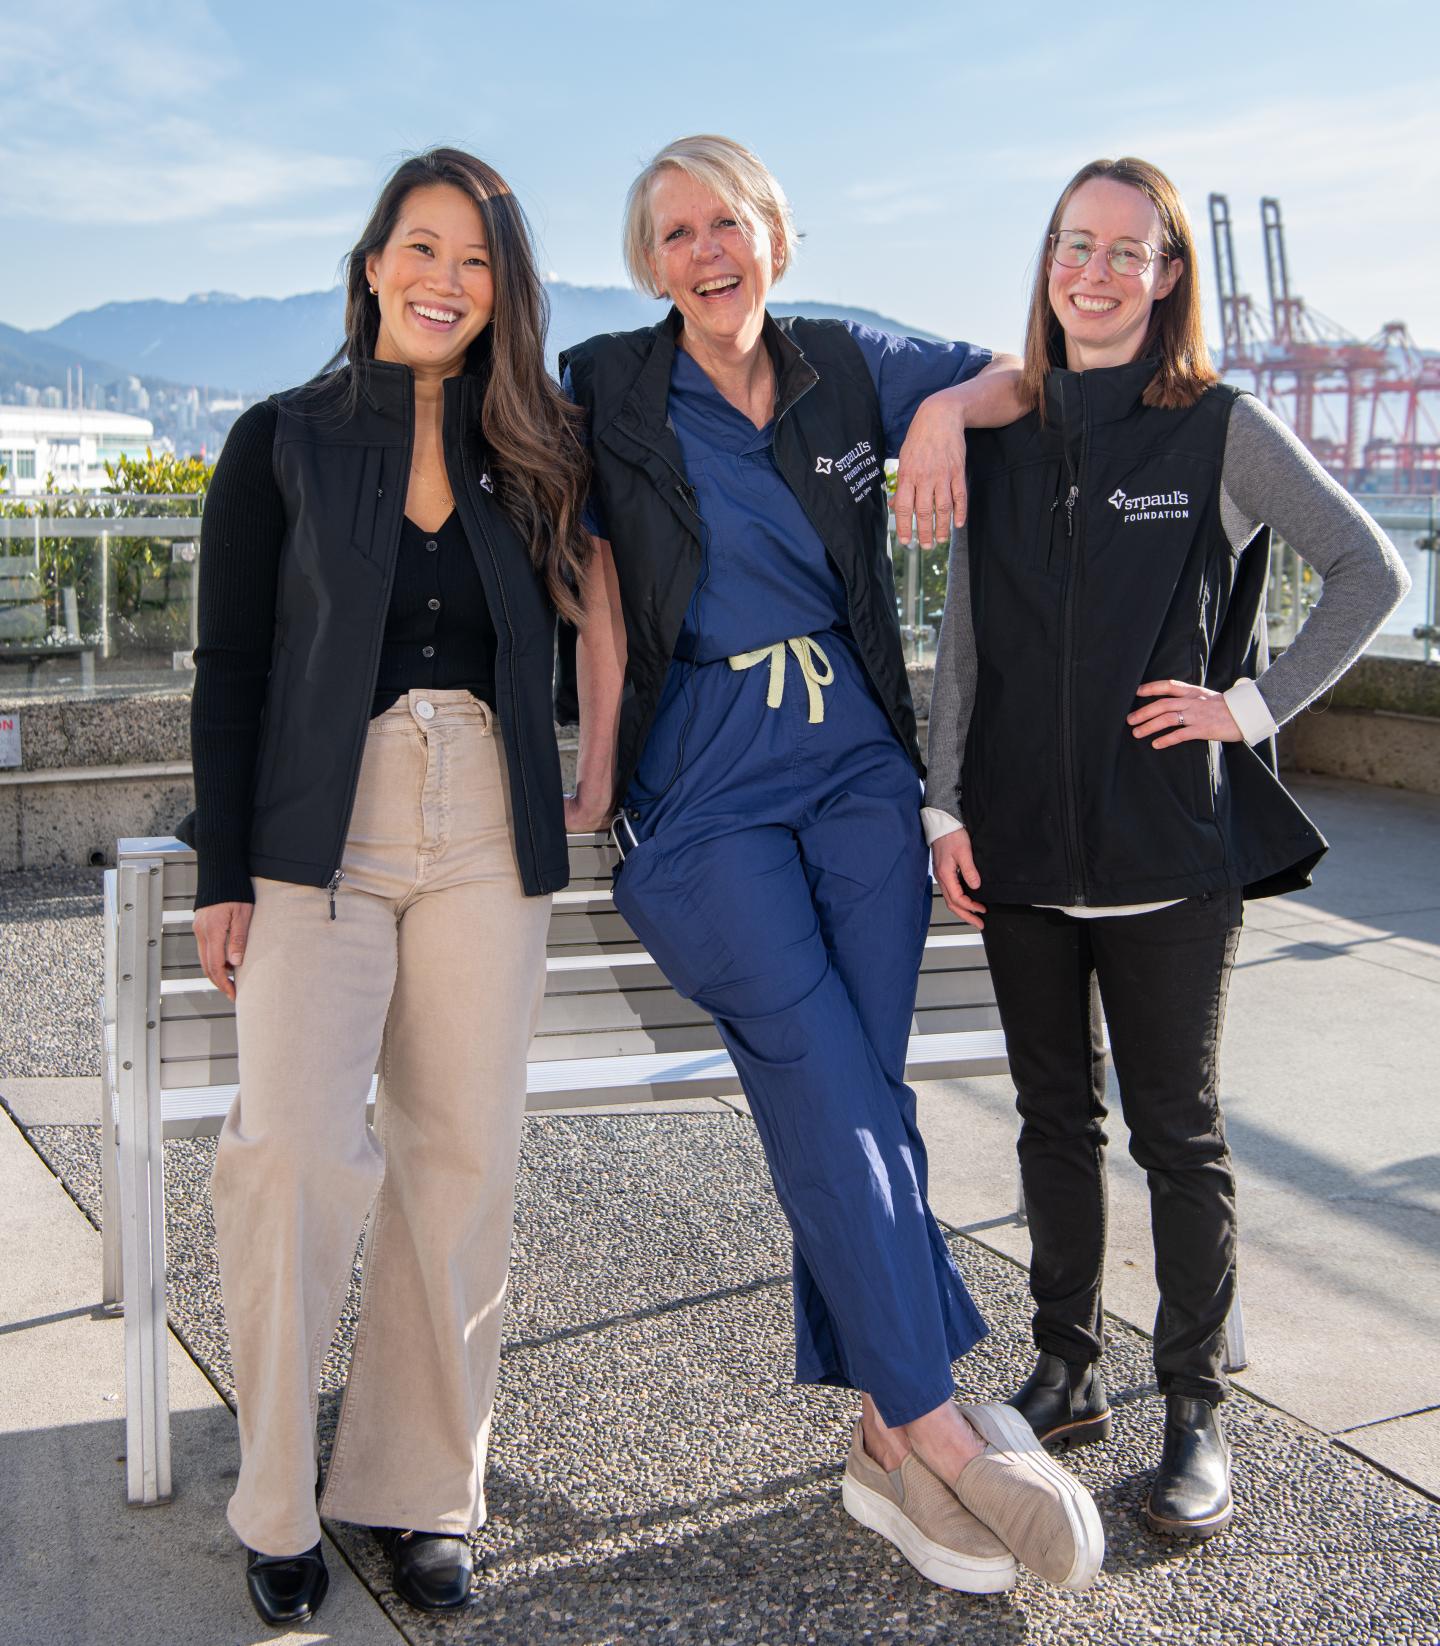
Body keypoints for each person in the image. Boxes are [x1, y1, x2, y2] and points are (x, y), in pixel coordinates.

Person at [563, 134, 1105, 1597]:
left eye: (724, 221)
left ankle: (882, 1431)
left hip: (861, 767)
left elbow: (1027, 372)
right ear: (650, 265)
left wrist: (944, 425)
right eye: (672, 233)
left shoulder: (848, 361)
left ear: (776, 237)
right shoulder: (607, 385)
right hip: (708, 787)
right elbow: (564, 554)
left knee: (863, 1086)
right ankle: (938, 1426)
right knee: (818, 1064)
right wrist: (597, 763)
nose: (703, 250)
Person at [925, 156, 1411, 1541]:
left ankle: (1195, 1408)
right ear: (1050, 261)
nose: (1093, 269)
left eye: (1125, 251)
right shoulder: (1002, 436)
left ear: (1169, 275)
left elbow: (1374, 569)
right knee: (1050, 1123)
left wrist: (1247, 709)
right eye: (1074, 245)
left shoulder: (1219, 429)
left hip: (1167, 856)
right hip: (1016, 849)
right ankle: (1068, 1366)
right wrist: (942, 802)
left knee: (1178, 1138)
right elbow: (964, 633)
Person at [183, 148, 593, 1626]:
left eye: (477, 261)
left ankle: (425, 1489)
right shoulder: (278, 437)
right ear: (371, 265)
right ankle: (278, 1499)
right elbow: (229, 670)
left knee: (460, 1158)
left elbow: (601, 611)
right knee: (288, 1153)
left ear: (503, 292)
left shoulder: (535, 443)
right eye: (421, 249)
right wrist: (226, 871)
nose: (445, 280)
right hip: (320, 826)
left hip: (489, 813)